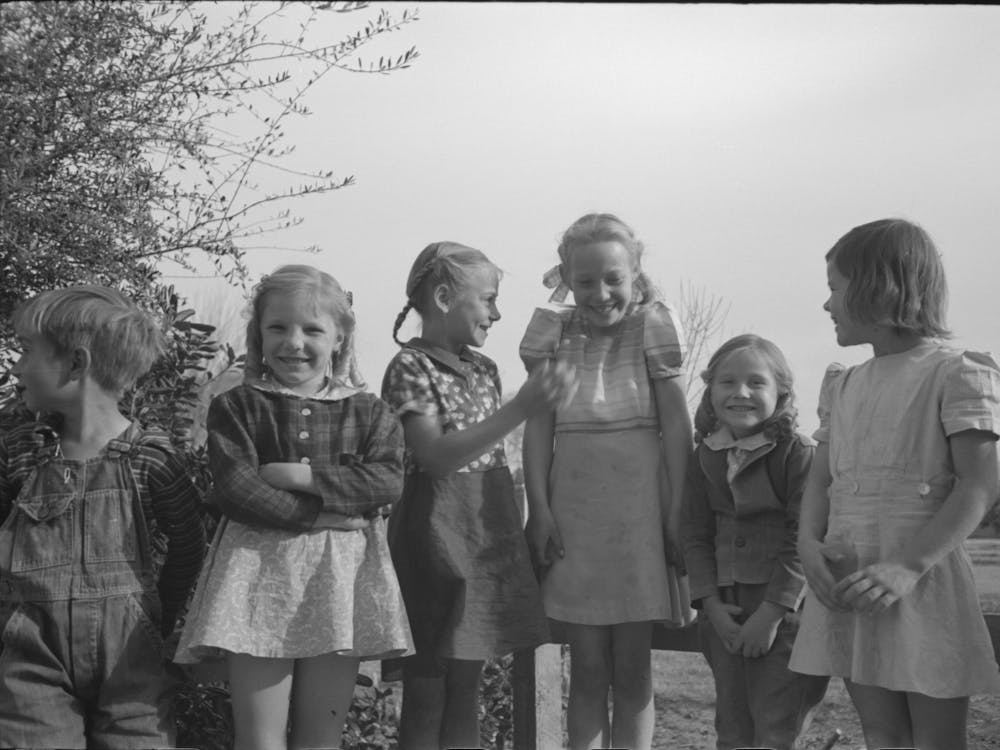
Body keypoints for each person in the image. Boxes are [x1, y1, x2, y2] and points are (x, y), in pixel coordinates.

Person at [174, 265, 412, 750]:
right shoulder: (237, 406)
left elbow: (387, 481)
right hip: (258, 579)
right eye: (277, 328)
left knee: (320, 740)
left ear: (340, 338)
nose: (293, 342)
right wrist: (322, 516)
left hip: (339, 583)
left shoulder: (369, 412)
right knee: (260, 741)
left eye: (312, 329)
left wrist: (301, 476)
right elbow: (238, 488)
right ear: (258, 335)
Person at [789, 218, 1000, 750]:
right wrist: (807, 543)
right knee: (882, 733)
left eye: (834, 288)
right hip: (851, 575)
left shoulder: (956, 373)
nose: (827, 304)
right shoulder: (844, 384)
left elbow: (980, 483)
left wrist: (906, 567)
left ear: (878, 286)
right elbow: (821, 481)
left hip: (919, 579)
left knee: (936, 740)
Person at [383, 241, 575, 750]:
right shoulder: (409, 366)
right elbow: (434, 457)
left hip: (484, 534)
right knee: (427, 691)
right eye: (487, 298)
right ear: (444, 297)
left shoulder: (485, 369)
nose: (496, 312)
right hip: (432, 539)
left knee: (465, 690)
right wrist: (521, 409)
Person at [0, 286, 206, 748]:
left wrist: (161, 620)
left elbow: (190, 544)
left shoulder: (150, 458)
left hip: (131, 662)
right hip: (31, 661)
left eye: (26, 352)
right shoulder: (22, 452)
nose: (15, 367)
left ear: (76, 363)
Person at [520, 213, 694, 750]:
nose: (600, 293)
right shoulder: (555, 334)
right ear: (567, 279)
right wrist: (540, 510)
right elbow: (537, 429)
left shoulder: (652, 326)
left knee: (634, 668)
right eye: (586, 281)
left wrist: (677, 512)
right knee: (589, 665)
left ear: (635, 275)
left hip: (639, 514)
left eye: (613, 278)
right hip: (575, 513)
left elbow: (676, 426)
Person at [681, 334, 829, 750]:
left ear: (781, 390)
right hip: (724, 611)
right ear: (710, 390)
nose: (740, 392)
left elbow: (803, 534)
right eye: (727, 382)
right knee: (731, 728)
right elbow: (694, 533)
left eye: (756, 383)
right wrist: (711, 605)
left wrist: (770, 614)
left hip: (785, 613)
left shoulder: (798, 454)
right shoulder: (705, 455)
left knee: (776, 727)